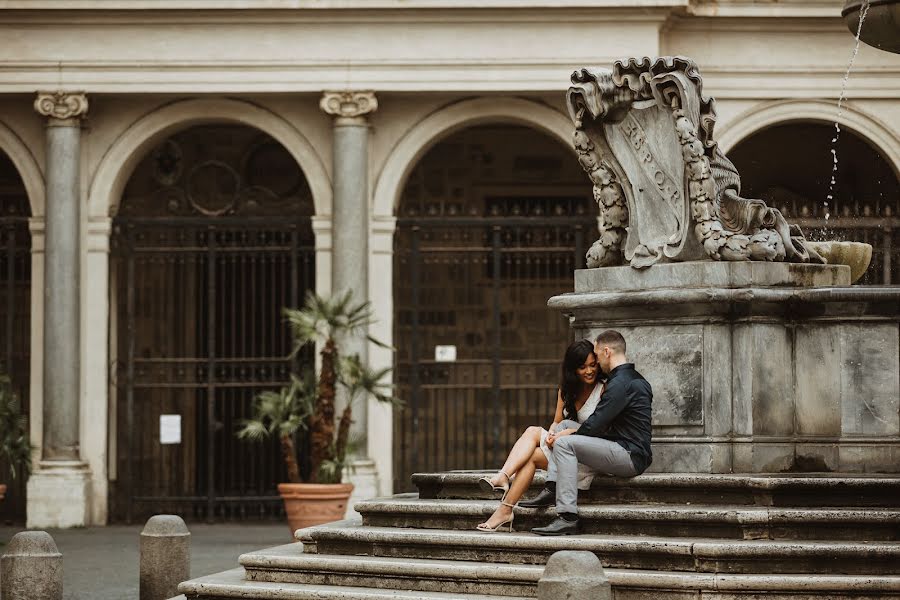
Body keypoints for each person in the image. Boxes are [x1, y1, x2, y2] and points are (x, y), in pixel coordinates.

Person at [527, 329, 653, 536]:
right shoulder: (627, 379)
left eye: (596, 355)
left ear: (606, 352)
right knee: (563, 424)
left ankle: (568, 517)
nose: (596, 361)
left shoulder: (621, 384)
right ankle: (552, 486)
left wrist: (566, 436)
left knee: (564, 442)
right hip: (619, 444)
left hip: (630, 454)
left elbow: (595, 425)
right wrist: (564, 430)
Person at [475, 339, 604, 532]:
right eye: (582, 367)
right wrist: (553, 433)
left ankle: (502, 477)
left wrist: (566, 433)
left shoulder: (604, 389)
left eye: (593, 365)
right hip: (566, 452)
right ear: (572, 369)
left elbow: (601, 428)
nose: (589, 371)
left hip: (590, 454)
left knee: (533, 433)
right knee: (531, 448)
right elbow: (557, 421)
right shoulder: (567, 390)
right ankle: (505, 509)